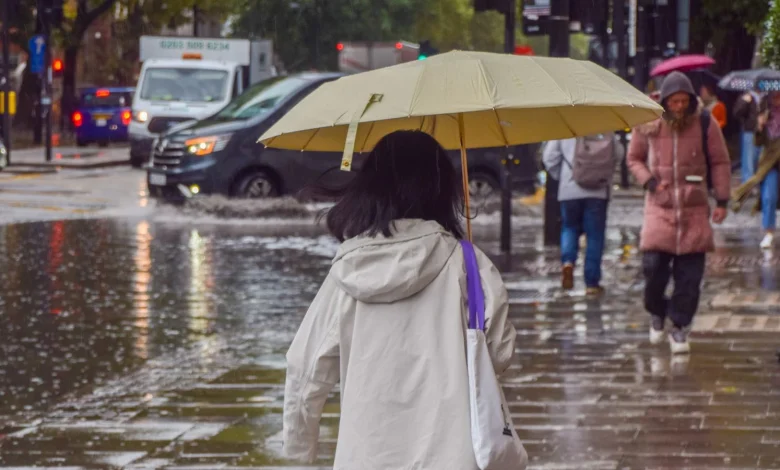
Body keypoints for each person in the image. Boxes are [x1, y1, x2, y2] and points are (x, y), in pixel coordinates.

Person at [282, 130, 518, 469]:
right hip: (453, 456)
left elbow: (305, 369)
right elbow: (499, 354)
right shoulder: (467, 265)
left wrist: (299, 451)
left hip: (366, 456)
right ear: (441, 188)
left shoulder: (347, 271)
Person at [627, 71, 731, 354]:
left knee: (690, 279)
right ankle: (657, 311)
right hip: (659, 207)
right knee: (652, 270)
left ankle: (680, 326)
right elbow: (633, 158)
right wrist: (649, 181)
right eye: (674, 101)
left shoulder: (705, 122)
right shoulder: (647, 120)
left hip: (693, 210)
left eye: (684, 101)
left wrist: (722, 201)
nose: (679, 107)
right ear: (664, 100)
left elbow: (720, 162)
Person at [543, 136, 614, 295]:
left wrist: (563, 176)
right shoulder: (605, 124)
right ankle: (592, 283)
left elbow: (549, 157)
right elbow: (618, 153)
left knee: (569, 228)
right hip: (598, 190)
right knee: (595, 236)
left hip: (569, 189)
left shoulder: (565, 127)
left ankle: (568, 262)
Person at [731, 91, 780, 249]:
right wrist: (759, 127)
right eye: (774, 96)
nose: (776, 98)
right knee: (769, 196)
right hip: (770, 163)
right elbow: (758, 143)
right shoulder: (766, 113)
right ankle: (769, 232)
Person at [734, 90, 764, 183]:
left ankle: (759, 183)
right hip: (750, 131)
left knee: (760, 160)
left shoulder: (767, 97)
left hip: (765, 133)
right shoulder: (746, 96)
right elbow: (737, 113)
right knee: (748, 160)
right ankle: (748, 184)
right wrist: (744, 102)